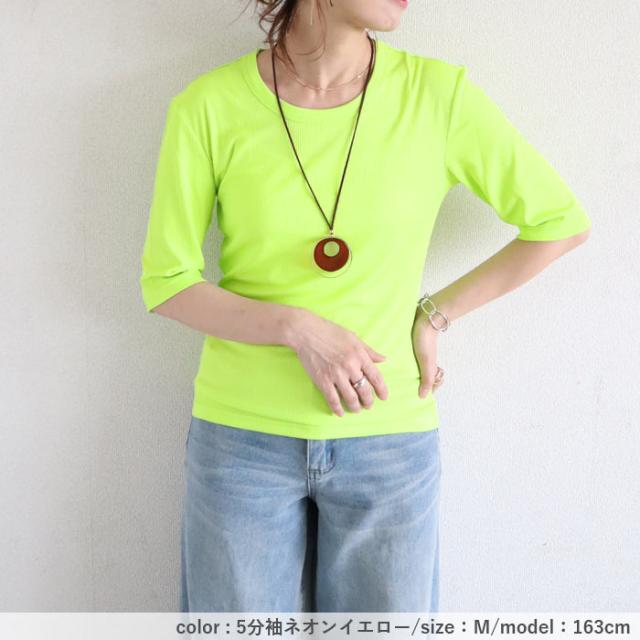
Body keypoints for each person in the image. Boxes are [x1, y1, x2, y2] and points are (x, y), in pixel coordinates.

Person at [139, 0, 592, 613]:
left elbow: (559, 224)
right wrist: (298, 328)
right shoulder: (209, 106)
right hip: (243, 444)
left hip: (388, 440)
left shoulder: (439, 96)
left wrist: (435, 313)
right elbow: (167, 282)